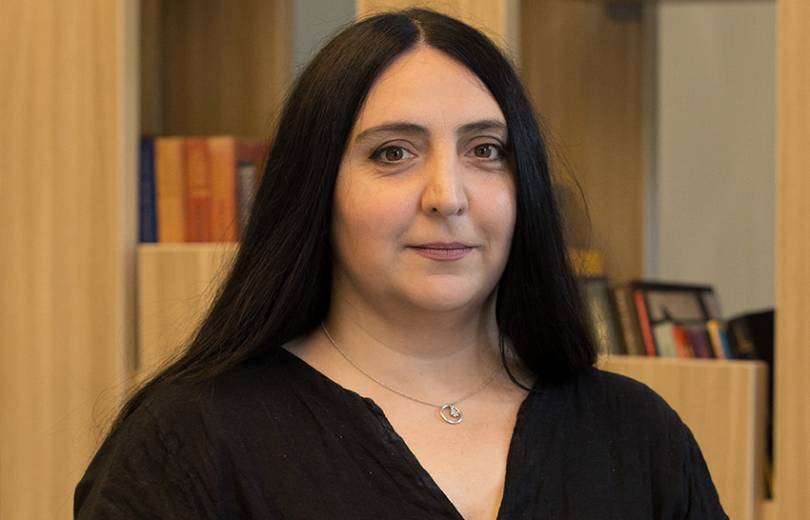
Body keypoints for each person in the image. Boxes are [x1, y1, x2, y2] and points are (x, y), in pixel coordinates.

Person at [74, 8, 728, 520]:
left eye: (485, 150)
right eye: (393, 153)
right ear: (316, 187)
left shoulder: (637, 436)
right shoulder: (188, 442)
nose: (448, 196)